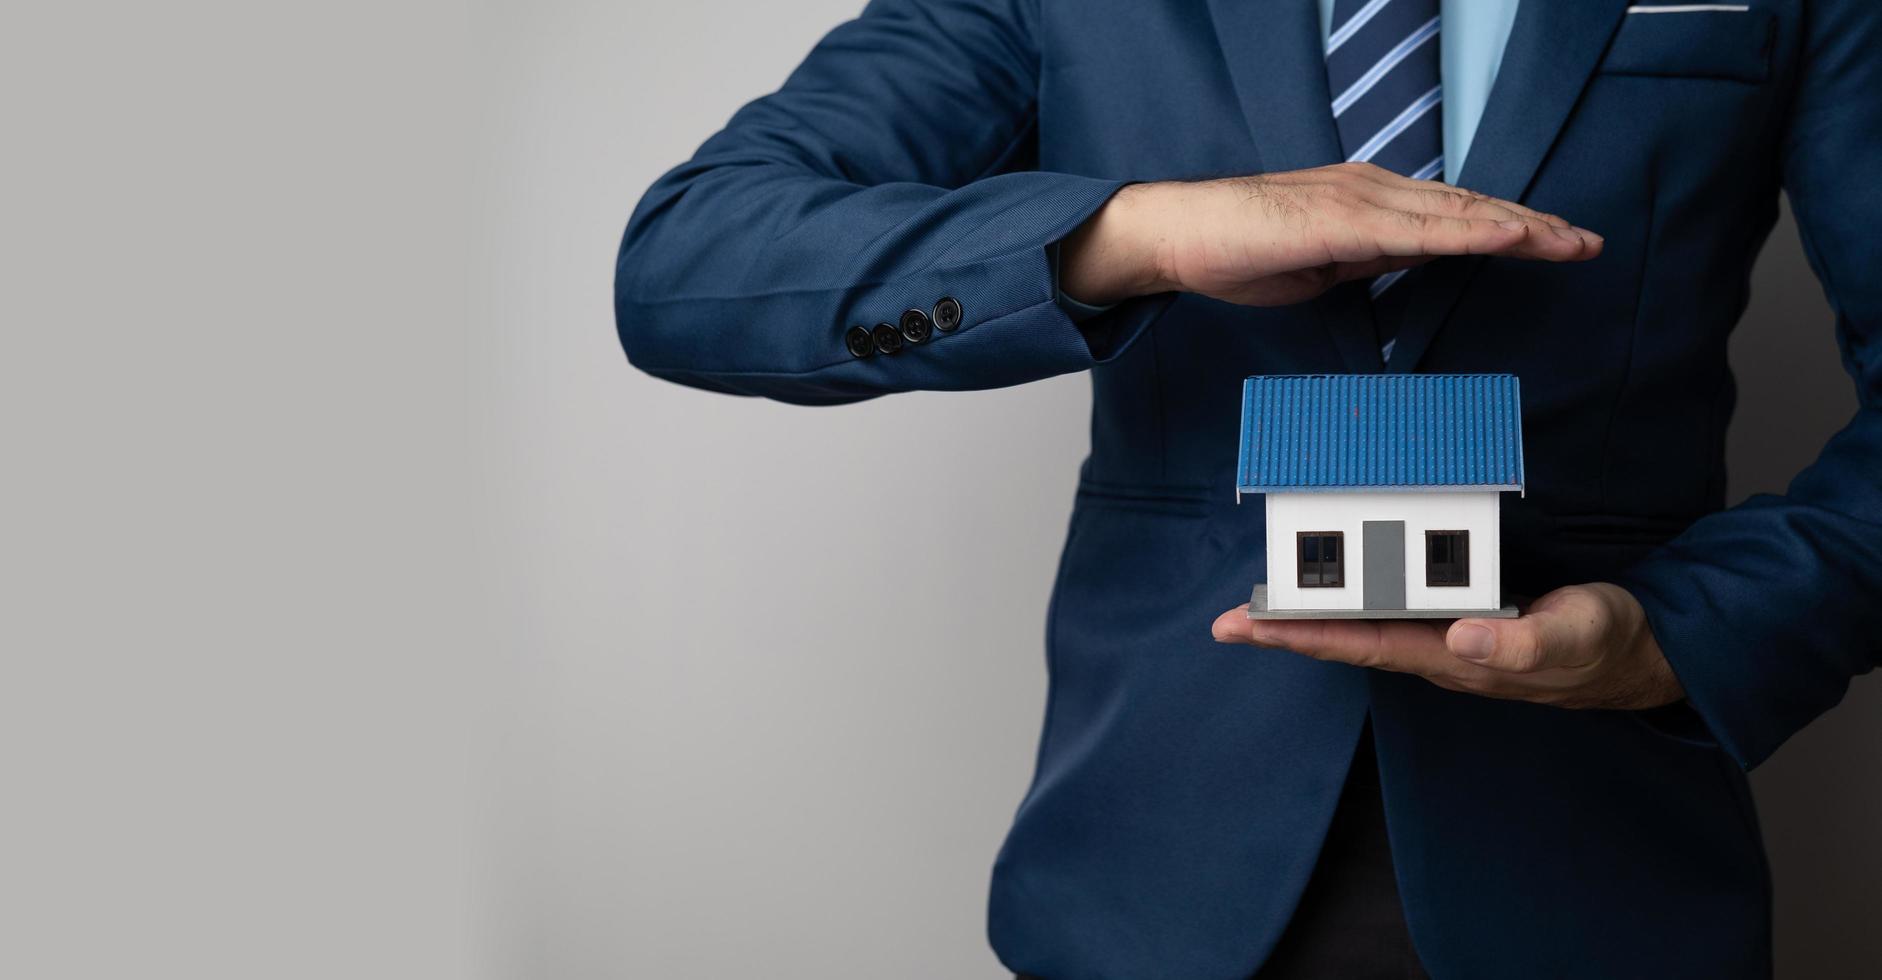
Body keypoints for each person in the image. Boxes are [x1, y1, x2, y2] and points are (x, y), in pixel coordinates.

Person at [613, 0, 1882, 976]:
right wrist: (1139, 237)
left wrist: (1677, 638)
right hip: (1146, 873)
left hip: (1606, 867)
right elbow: (690, 266)